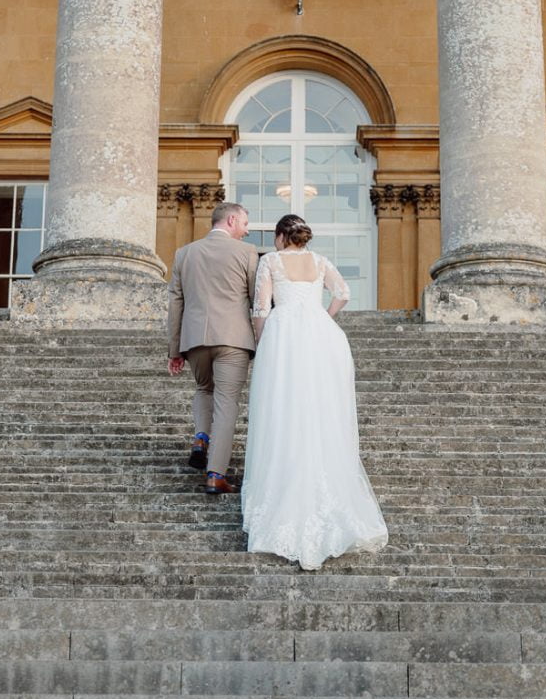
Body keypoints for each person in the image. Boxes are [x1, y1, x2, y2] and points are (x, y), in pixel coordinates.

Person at [242, 212, 388, 571]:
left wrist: (262, 340)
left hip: (284, 335)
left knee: (283, 405)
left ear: (279, 237)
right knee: (321, 406)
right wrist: (325, 316)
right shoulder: (321, 261)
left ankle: (282, 485)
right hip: (322, 336)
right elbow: (343, 293)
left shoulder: (271, 261)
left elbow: (261, 307)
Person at [166, 200, 258, 495]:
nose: (246, 231)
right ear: (231, 221)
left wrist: (174, 350)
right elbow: (257, 300)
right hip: (233, 338)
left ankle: (200, 438)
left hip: (194, 339)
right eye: (244, 223)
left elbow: (175, 303)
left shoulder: (185, 253)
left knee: (204, 389)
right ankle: (215, 474)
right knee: (227, 402)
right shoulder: (246, 252)